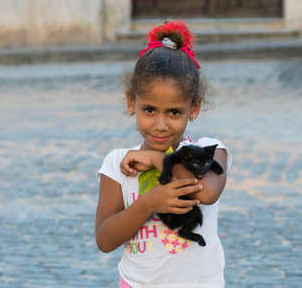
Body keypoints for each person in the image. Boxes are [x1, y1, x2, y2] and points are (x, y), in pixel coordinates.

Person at [95, 20, 232, 288]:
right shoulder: (118, 164)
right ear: (131, 102)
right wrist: (149, 203)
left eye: (174, 112)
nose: (160, 124)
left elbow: (206, 192)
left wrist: (160, 161)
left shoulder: (210, 150)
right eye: (149, 110)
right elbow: (105, 239)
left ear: (194, 108)